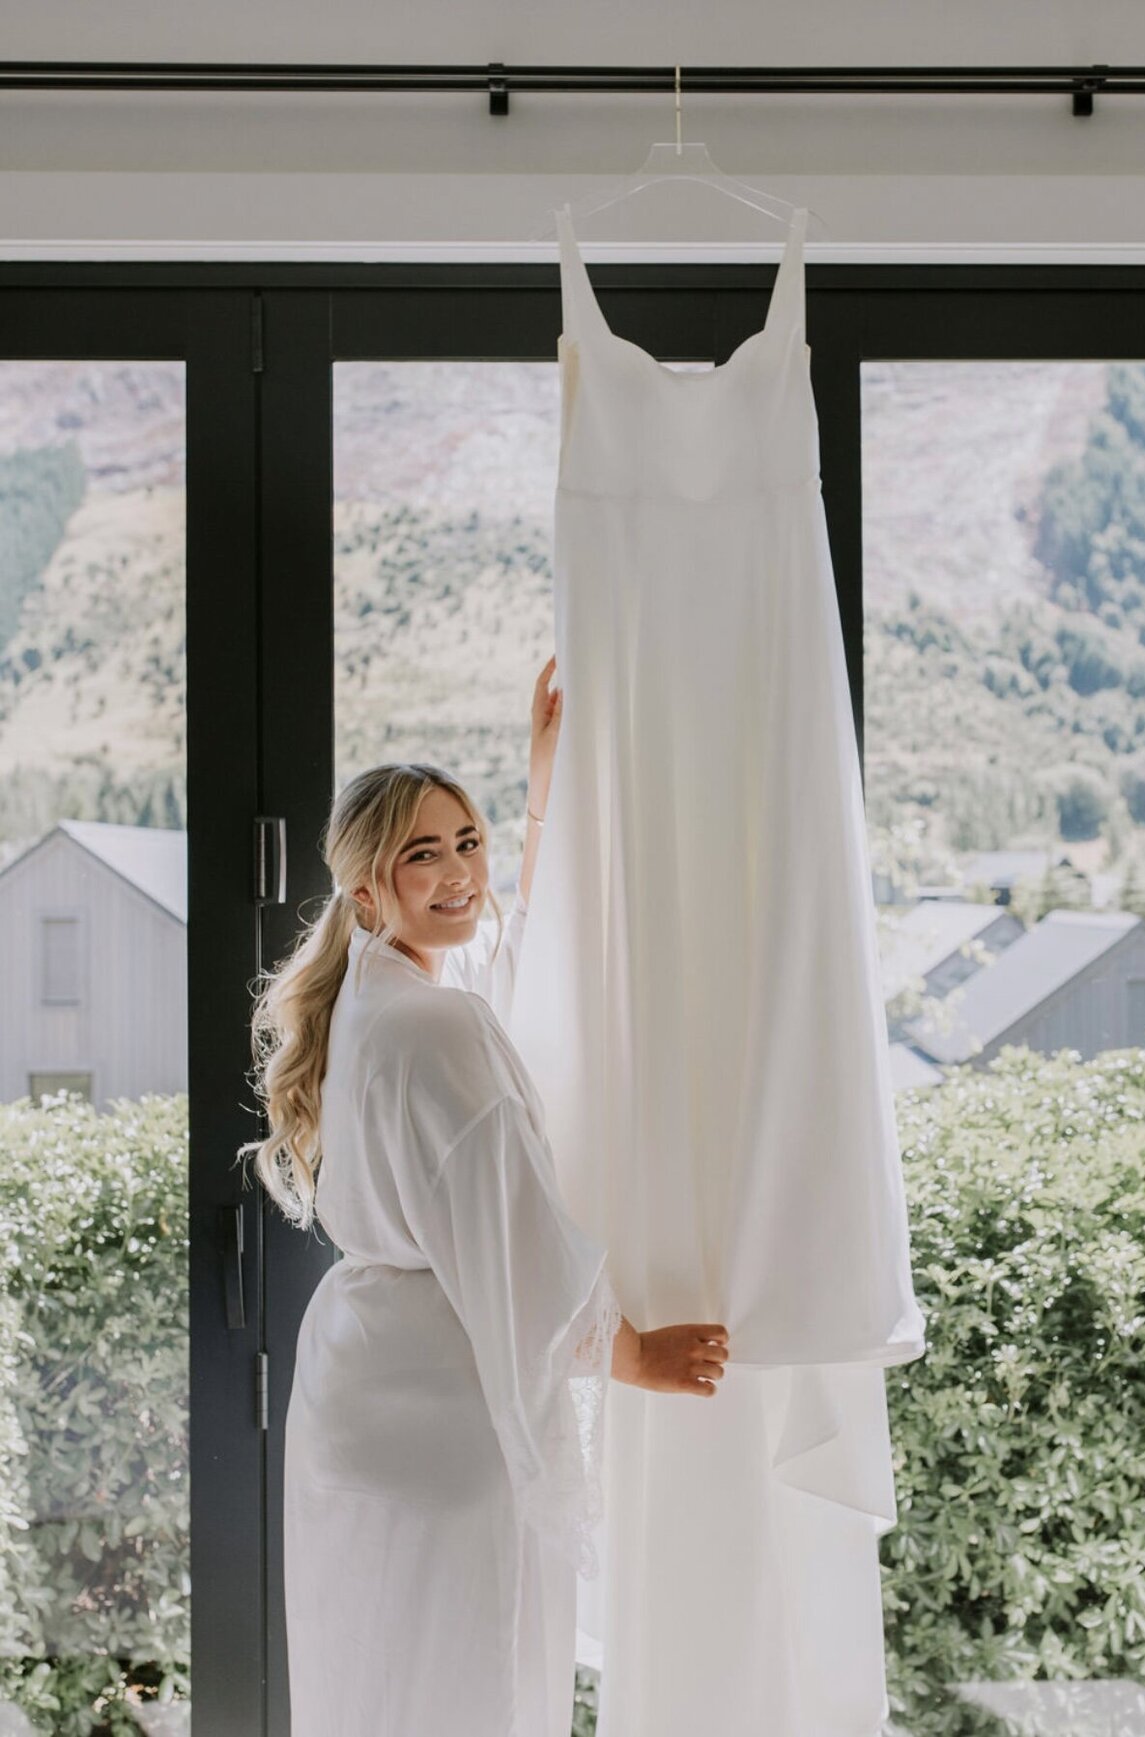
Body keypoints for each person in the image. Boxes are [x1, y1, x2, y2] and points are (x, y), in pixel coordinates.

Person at [240, 652, 730, 1736]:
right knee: (471, 1690)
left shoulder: (377, 992)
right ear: (370, 887)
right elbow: (511, 1237)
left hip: (354, 1388)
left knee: (376, 1682)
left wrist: (541, 793)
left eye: (470, 843)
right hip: (441, 1409)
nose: (459, 872)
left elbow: (507, 974)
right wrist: (632, 1351)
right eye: (426, 855)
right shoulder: (433, 1022)